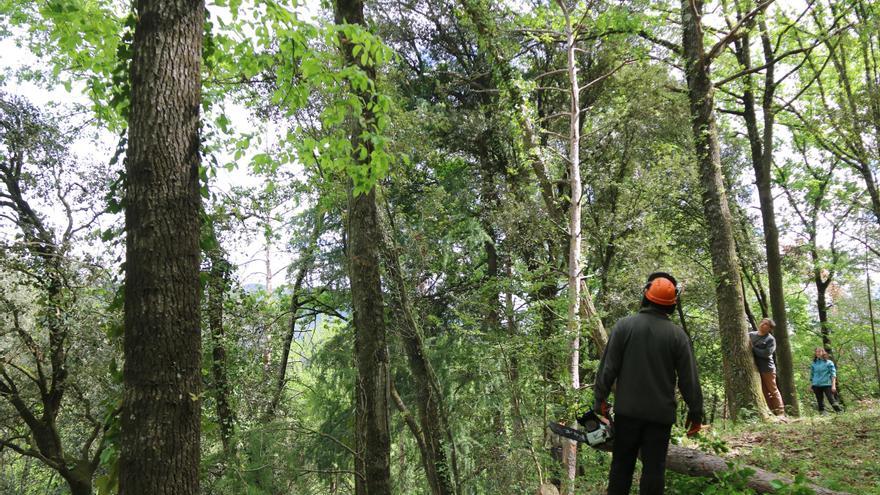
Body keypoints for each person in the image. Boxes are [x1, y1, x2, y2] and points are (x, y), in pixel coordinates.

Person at [593, 272, 704, 495]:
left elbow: (608, 368)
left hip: (628, 413)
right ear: (672, 304)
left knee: (621, 467)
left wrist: (599, 401)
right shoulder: (678, 335)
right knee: (654, 470)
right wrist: (696, 412)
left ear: (645, 295)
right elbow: (688, 378)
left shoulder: (624, 326)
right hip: (660, 416)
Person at [748, 318, 785, 416]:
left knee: (772, 390)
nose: (763, 325)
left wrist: (753, 348)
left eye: (766, 324)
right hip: (755, 368)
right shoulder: (751, 335)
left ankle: (780, 412)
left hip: (767, 368)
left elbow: (766, 353)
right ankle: (771, 412)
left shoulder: (770, 339)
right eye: (763, 322)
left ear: (769, 328)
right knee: (764, 391)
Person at [810, 347, 842, 413]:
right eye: (816, 352)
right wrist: (811, 385)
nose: (817, 353)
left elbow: (833, 374)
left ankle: (840, 412)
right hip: (816, 385)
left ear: (823, 352)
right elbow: (812, 375)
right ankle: (822, 415)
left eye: (819, 351)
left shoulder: (829, 363)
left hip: (826, 384)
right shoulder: (814, 363)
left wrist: (833, 386)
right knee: (820, 401)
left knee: (831, 399)